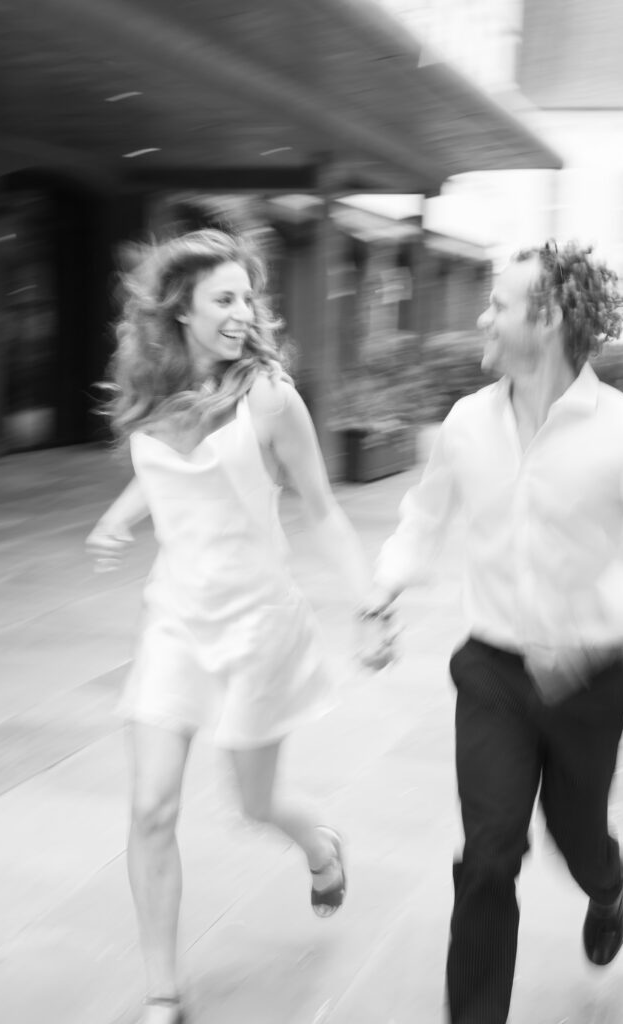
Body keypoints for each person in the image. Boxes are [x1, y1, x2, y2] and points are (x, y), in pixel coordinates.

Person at [362, 240, 623, 1023]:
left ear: (551, 317)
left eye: (499, 303)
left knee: (578, 840)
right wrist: (383, 592)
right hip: (493, 672)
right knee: (489, 853)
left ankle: (607, 887)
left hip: (591, 683)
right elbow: (423, 519)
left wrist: (592, 625)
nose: (483, 316)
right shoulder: (467, 424)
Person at [86, 228, 393, 1024]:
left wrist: (367, 603)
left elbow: (321, 510)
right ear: (179, 309)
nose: (242, 312)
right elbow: (162, 472)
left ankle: (320, 845)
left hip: (258, 624)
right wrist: (119, 515)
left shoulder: (269, 396)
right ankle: (163, 991)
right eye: (224, 298)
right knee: (151, 806)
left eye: (247, 297)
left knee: (253, 803)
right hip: (176, 622)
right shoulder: (152, 389)